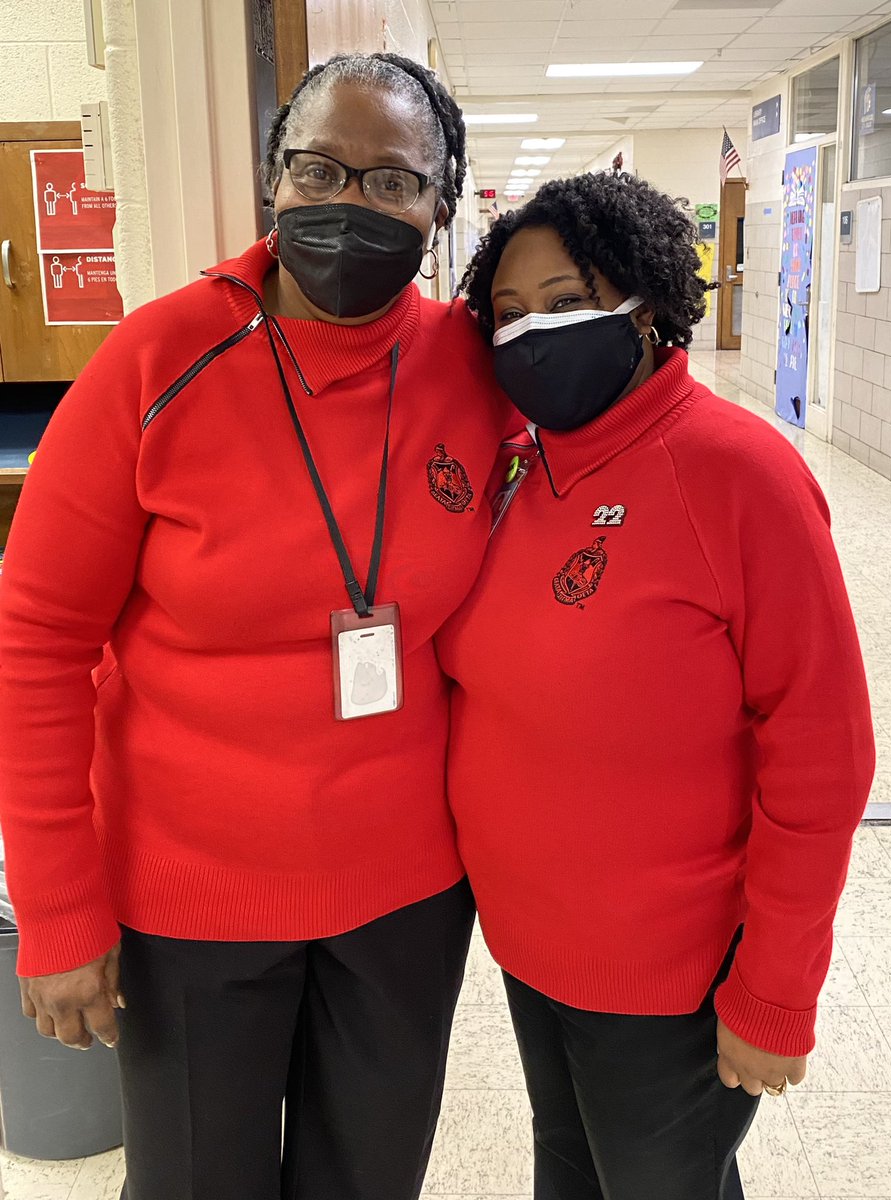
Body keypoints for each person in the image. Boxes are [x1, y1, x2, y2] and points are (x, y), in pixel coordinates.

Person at [0, 52, 509, 1200]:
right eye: (319, 169)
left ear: (441, 207)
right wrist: (58, 908)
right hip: (190, 896)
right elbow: (35, 643)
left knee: (369, 1181)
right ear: (273, 179)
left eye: (394, 181)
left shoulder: (474, 371)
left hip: (407, 897)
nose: (350, 203)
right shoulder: (157, 359)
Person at [437, 171, 876, 1200]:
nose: (532, 334)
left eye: (565, 302)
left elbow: (823, 751)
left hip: (672, 975)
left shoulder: (735, 473)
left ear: (645, 309)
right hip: (532, 946)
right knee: (569, 1174)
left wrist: (776, 989)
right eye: (508, 313)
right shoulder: (523, 470)